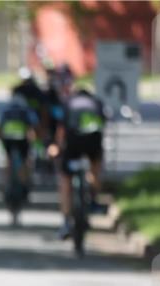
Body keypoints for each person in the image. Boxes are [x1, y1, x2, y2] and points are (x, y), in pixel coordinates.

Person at [51, 84, 108, 242]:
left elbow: (61, 128)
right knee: (95, 166)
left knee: (65, 179)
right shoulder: (97, 103)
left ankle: (66, 222)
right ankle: (94, 197)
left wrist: (57, 146)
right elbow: (103, 125)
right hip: (93, 140)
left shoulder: (68, 102)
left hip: (74, 141)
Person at [0, 93, 39, 201]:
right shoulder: (26, 110)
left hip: (8, 139)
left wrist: (0, 140)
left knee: (8, 160)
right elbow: (33, 128)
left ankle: (5, 186)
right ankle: (25, 186)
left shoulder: (5, 110)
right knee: (25, 161)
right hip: (22, 139)